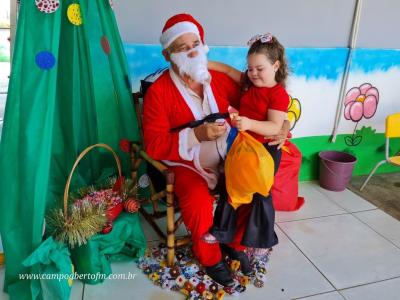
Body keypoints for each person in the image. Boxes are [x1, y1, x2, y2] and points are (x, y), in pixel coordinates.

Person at [143, 14, 288, 286]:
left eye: (195, 42)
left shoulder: (218, 79)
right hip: (185, 162)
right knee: (197, 200)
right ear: (167, 55)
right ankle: (210, 258)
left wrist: (283, 122)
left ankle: (234, 243)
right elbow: (153, 144)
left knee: (253, 182)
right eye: (181, 47)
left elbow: (261, 100)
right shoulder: (159, 92)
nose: (192, 50)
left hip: (227, 156)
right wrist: (197, 134)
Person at [203, 33, 291, 258]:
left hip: (265, 151)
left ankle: (263, 240)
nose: (253, 73)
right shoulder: (249, 84)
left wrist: (250, 122)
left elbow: (274, 126)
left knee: (261, 196)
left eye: (259, 68)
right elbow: (228, 70)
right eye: (250, 68)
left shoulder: (278, 94)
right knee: (230, 186)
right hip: (243, 147)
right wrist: (204, 63)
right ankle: (221, 230)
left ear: (276, 65)